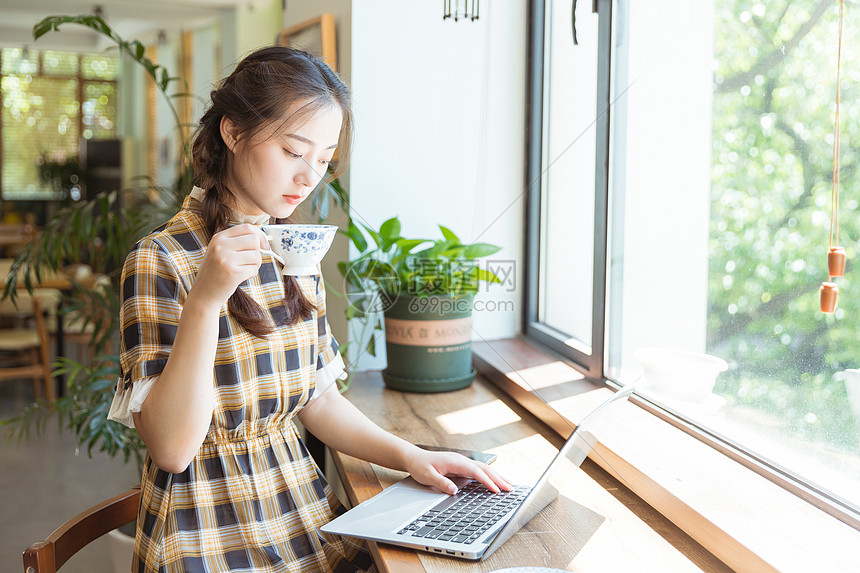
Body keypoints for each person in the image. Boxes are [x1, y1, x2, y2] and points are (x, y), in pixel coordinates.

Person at [107, 46, 511, 573]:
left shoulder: (294, 248)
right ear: (232, 133)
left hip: (301, 517)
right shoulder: (159, 259)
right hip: (206, 536)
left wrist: (413, 457)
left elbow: (317, 401)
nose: (308, 178)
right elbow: (173, 449)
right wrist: (206, 301)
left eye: (323, 160)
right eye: (293, 151)